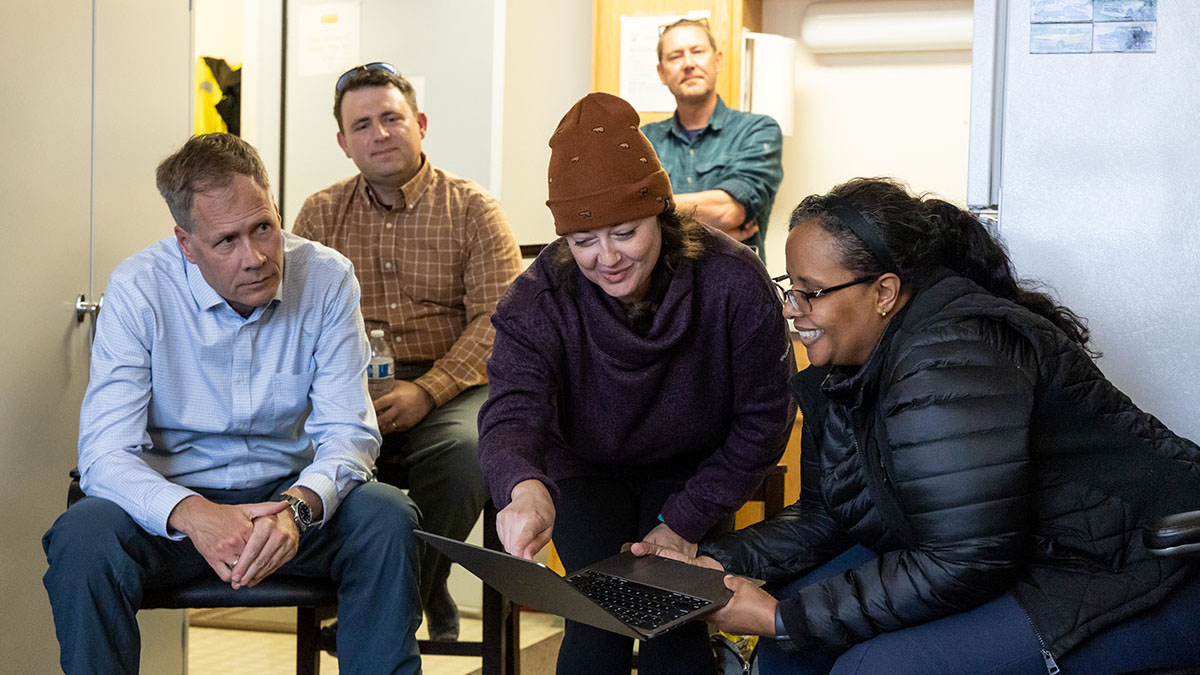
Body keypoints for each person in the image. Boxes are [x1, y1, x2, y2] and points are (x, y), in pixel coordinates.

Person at [632, 177, 1200, 674]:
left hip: (1142, 572)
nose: (791, 308)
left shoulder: (951, 355)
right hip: (1026, 551)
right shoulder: (850, 365)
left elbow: (965, 558)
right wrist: (717, 565)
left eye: (811, 293)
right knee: (792, 650)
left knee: (870, 667)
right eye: (791, 289)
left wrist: (783, 617)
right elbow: (831, 510)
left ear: (884, 292)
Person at [42, 133, 422, 674]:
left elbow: (349, 433)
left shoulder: (328, 277)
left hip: (288, 505)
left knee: (387, 517)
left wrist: (296, 509)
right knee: (82, 538)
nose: (258, 258)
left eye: (263, 227)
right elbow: (105, 454)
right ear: (186, 243)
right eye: (227, 242)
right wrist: (194, 515)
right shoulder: (138, 288)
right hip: (172, 511)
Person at [477, 92, 796, 675]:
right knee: (596, 619)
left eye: (625, 232)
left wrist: (685, 522)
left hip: (696, 467)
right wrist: (523, 488)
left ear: (662, 212)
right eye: (583, 241)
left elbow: (764, 418)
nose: (607, 258)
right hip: (585, 465)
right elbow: (511, 410)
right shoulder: (540, 296)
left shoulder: (732, 281)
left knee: (673, 623)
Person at [293, 62, 523, 641]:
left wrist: (427, 391)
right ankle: (420, 586)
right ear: (345, 144)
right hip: (348, 382)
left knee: (468, 449)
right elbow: (293, 319)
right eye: (363, 124)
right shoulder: (319, 215)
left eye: (392, 117)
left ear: (419, 123)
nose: (380, 133)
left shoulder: (472, 209)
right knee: (294, 444)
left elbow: (498, 322)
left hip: (456, 385)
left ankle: (386, 610)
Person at [641, 18, 784, 260]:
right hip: (663, 291)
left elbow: (730, 212)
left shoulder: (758, 130)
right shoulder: (643, 141)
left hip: (738, 287)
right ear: (661, 73)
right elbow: (621, 218)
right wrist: (714, 233)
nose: (688, 63)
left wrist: (652, 216)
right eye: (675, 56)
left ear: (717, 60)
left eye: (697, 52)